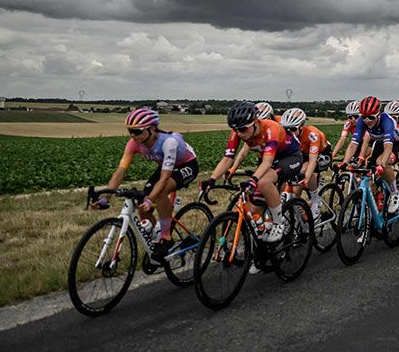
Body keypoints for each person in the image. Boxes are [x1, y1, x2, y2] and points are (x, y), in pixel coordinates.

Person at [95, 108, 200, 261]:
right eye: (130, 131)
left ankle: (166, 237)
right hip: (166, 165)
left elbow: (164, 179)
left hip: (187, 165)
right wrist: (106, 197)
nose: (132, 135)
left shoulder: (168, 142)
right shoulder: (134, 143)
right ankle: (157, 231)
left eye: (137, 131)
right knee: (143, 200)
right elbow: (120, 171)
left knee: (160, 192)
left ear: (151, 129)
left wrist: (152, 199)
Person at [203, 101, 302, 241]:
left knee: (263, 182)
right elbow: (227, 158)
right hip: (269, 158)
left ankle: (279, 223)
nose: (239, 133)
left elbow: (267, 162)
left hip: (289, 157)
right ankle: (262, 238)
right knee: (255, 207)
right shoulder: (239, 130)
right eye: (235, 129)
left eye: (243, 129)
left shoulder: (270, 128)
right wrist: (212, 179)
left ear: (255, 122)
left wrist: (253, 180)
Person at [339, 96, 399, 214]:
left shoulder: (387, 122)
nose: (367, 121)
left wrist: (382, 165)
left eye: (371, 117)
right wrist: (344, 162)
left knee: (382, 163)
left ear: (378, 114)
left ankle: (394, 192)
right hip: (380, 144)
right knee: (368, 176)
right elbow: (353, 145)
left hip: (398, 144)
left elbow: (388, 147)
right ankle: (378, 200)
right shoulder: (362, 121)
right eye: (364, 117)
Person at [279, 107, 329, 219]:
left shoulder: (312, 134)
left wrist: (306, 178)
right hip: (303, 153)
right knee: (296, 188)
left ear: (302, 126)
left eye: (293, 129)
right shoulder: (288, 136)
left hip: (322, 153)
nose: (289, 133)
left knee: (305, 170)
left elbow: (312, 161)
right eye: (286, 129)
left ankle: (316, 200)